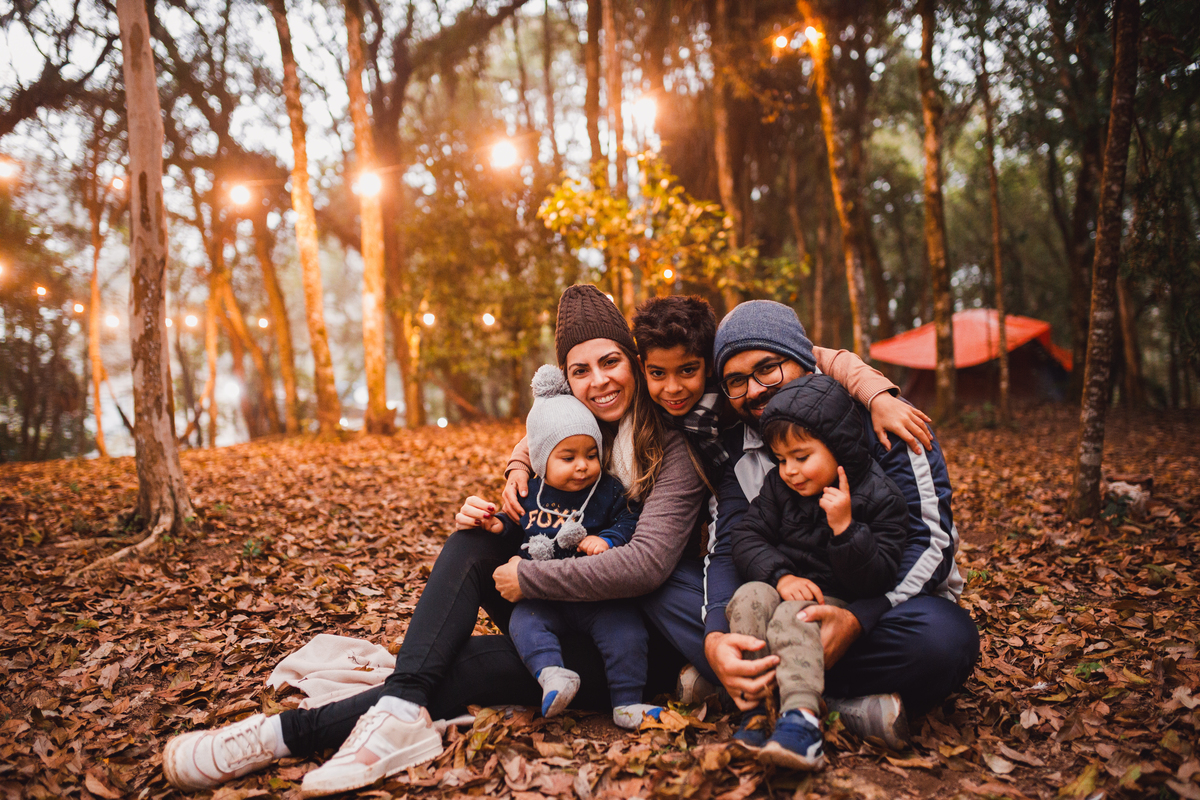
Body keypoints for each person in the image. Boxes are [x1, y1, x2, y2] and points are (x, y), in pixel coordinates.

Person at [163, 284, 710, 798]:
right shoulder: (580, 435)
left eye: (611, 362)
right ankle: (398, 707)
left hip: (630, 648)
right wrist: (511, 486)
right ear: (564, 381)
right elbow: (536, 443)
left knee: (461, 665)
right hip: (564, 614)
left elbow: (644, 566)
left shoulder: (672, 447)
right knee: (472, 540)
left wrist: (527, 576)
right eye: (580, 370)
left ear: (634, 364)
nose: (600, 382)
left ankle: (278, 737)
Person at [704, 300, 980, 751]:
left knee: (945, 640)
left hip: (884, 607)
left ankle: (784, 695)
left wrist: (857, 619)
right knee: (698, 609)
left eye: (767, 369)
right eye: (736, 382)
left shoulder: (887, 422)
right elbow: (732, 541)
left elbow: (929, 541)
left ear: (805, 361)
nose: (754, 390)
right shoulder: (735, 446)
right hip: (783, 602)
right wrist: (717, 638)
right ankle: (827, 704)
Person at [725, 375, 908, 769]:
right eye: (781, 459)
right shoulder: (779, 487)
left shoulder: (880, 496)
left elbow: (879, 578)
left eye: (801, 457)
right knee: (749, 597)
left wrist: (846, 529)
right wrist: (780, 576)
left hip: (833, 603)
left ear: (838, 446)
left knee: (796, 615)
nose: (789, 470)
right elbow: (746, 536)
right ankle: (757, 710)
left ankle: (801, 721)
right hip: (786, 584)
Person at [483, 365, 663, 729]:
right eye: (568, 458)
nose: (583, 466)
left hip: (598, 598)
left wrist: (608, 539)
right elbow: (513, 528)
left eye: (591, 454)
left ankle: (627, 702)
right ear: (541, 462)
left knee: (626, 631)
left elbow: (631, 519)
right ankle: (552, 674)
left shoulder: (608, 490)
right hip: (542, 598)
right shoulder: (531, 492)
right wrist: (495, 525)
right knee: (525, 621)